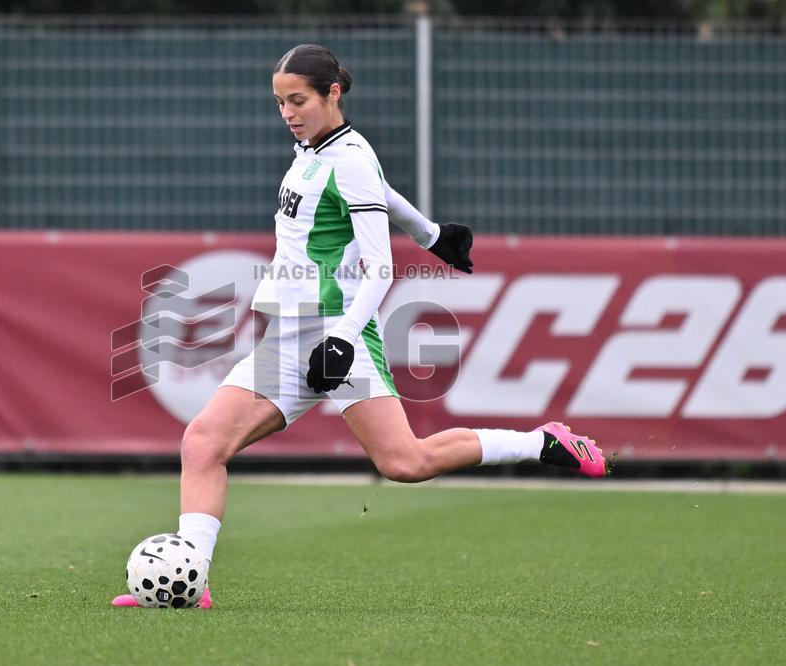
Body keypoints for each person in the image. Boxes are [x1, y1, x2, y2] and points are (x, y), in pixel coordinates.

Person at [114, 44, 607, 610]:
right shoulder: (314, 150)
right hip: (290, 335)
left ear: (333, 93)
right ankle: (192, 580)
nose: (288, 113)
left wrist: (344, 339)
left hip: (334, 331)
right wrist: (431, 232)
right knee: (202, 442)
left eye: (297, 100)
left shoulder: (349, 157)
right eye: (279, 103)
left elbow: (381, 267)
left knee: (405, 463)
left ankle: (541, 442)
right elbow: (382, 193)